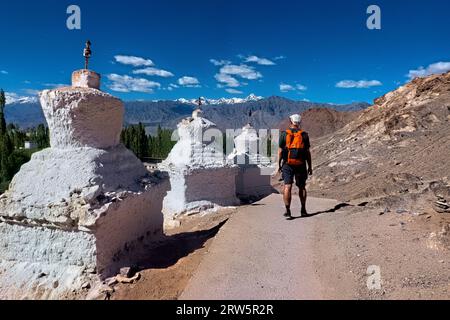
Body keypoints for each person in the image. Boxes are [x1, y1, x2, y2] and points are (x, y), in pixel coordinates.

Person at [278, 114, 313, 218]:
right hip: (301, 164)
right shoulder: (304, 135)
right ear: (299, 122)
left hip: (287, 164)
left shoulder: (284, 134)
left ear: (290, 121)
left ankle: (288, 211)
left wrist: (279, 164)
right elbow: (307, 152)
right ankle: (303, 210)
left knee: (287, 186)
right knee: (302, 187)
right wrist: (310, 166)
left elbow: (280, 151)